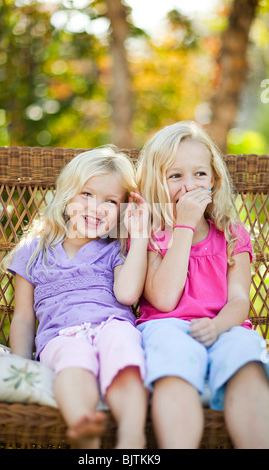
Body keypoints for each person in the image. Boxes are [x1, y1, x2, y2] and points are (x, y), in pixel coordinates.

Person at [1, 146, 149, 449]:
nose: (97, 208)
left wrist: (141, 236)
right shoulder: (33, 251)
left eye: (111, 201)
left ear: (123, 211)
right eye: (87, 194)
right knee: (73, 360)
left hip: (112, 324)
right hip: (61, 335)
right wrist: (20, 362)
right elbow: (24, 316)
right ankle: (84, 427)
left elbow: (128, 294)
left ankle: (132, 434)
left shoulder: (115, 251)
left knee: (122, 347)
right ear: (67, 197)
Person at [135, 121, 269, 449]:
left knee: (246, 357)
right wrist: (183, 225)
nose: (189, 185)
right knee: (173, 362)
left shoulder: (231, 233)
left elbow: (239, 300)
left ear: (214, 181)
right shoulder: (149, 233)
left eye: (199, 174)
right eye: (175, 175)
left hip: (223, 325)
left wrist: (218, 325)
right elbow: (164, 299)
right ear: (156, 182)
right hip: (166, 325)